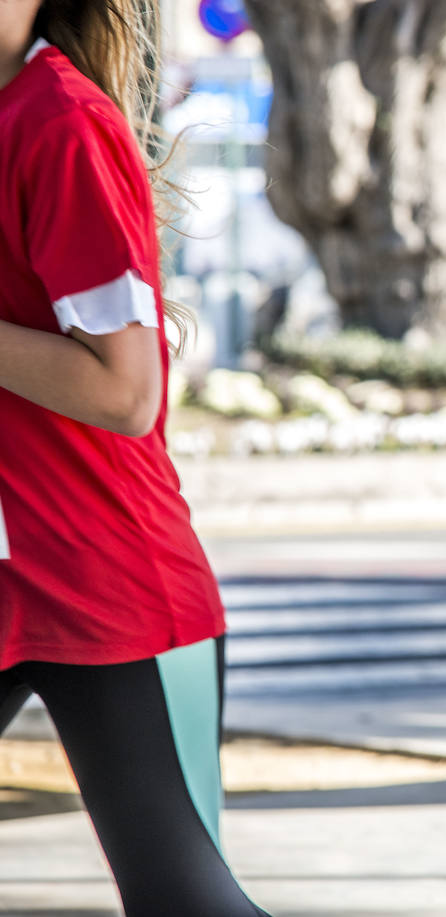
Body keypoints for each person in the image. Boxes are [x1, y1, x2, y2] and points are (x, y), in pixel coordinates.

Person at [0, 2, 269, 913]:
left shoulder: (59, 121)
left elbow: (126, 390)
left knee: (185, 900)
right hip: (10, 567)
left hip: (111, 581)